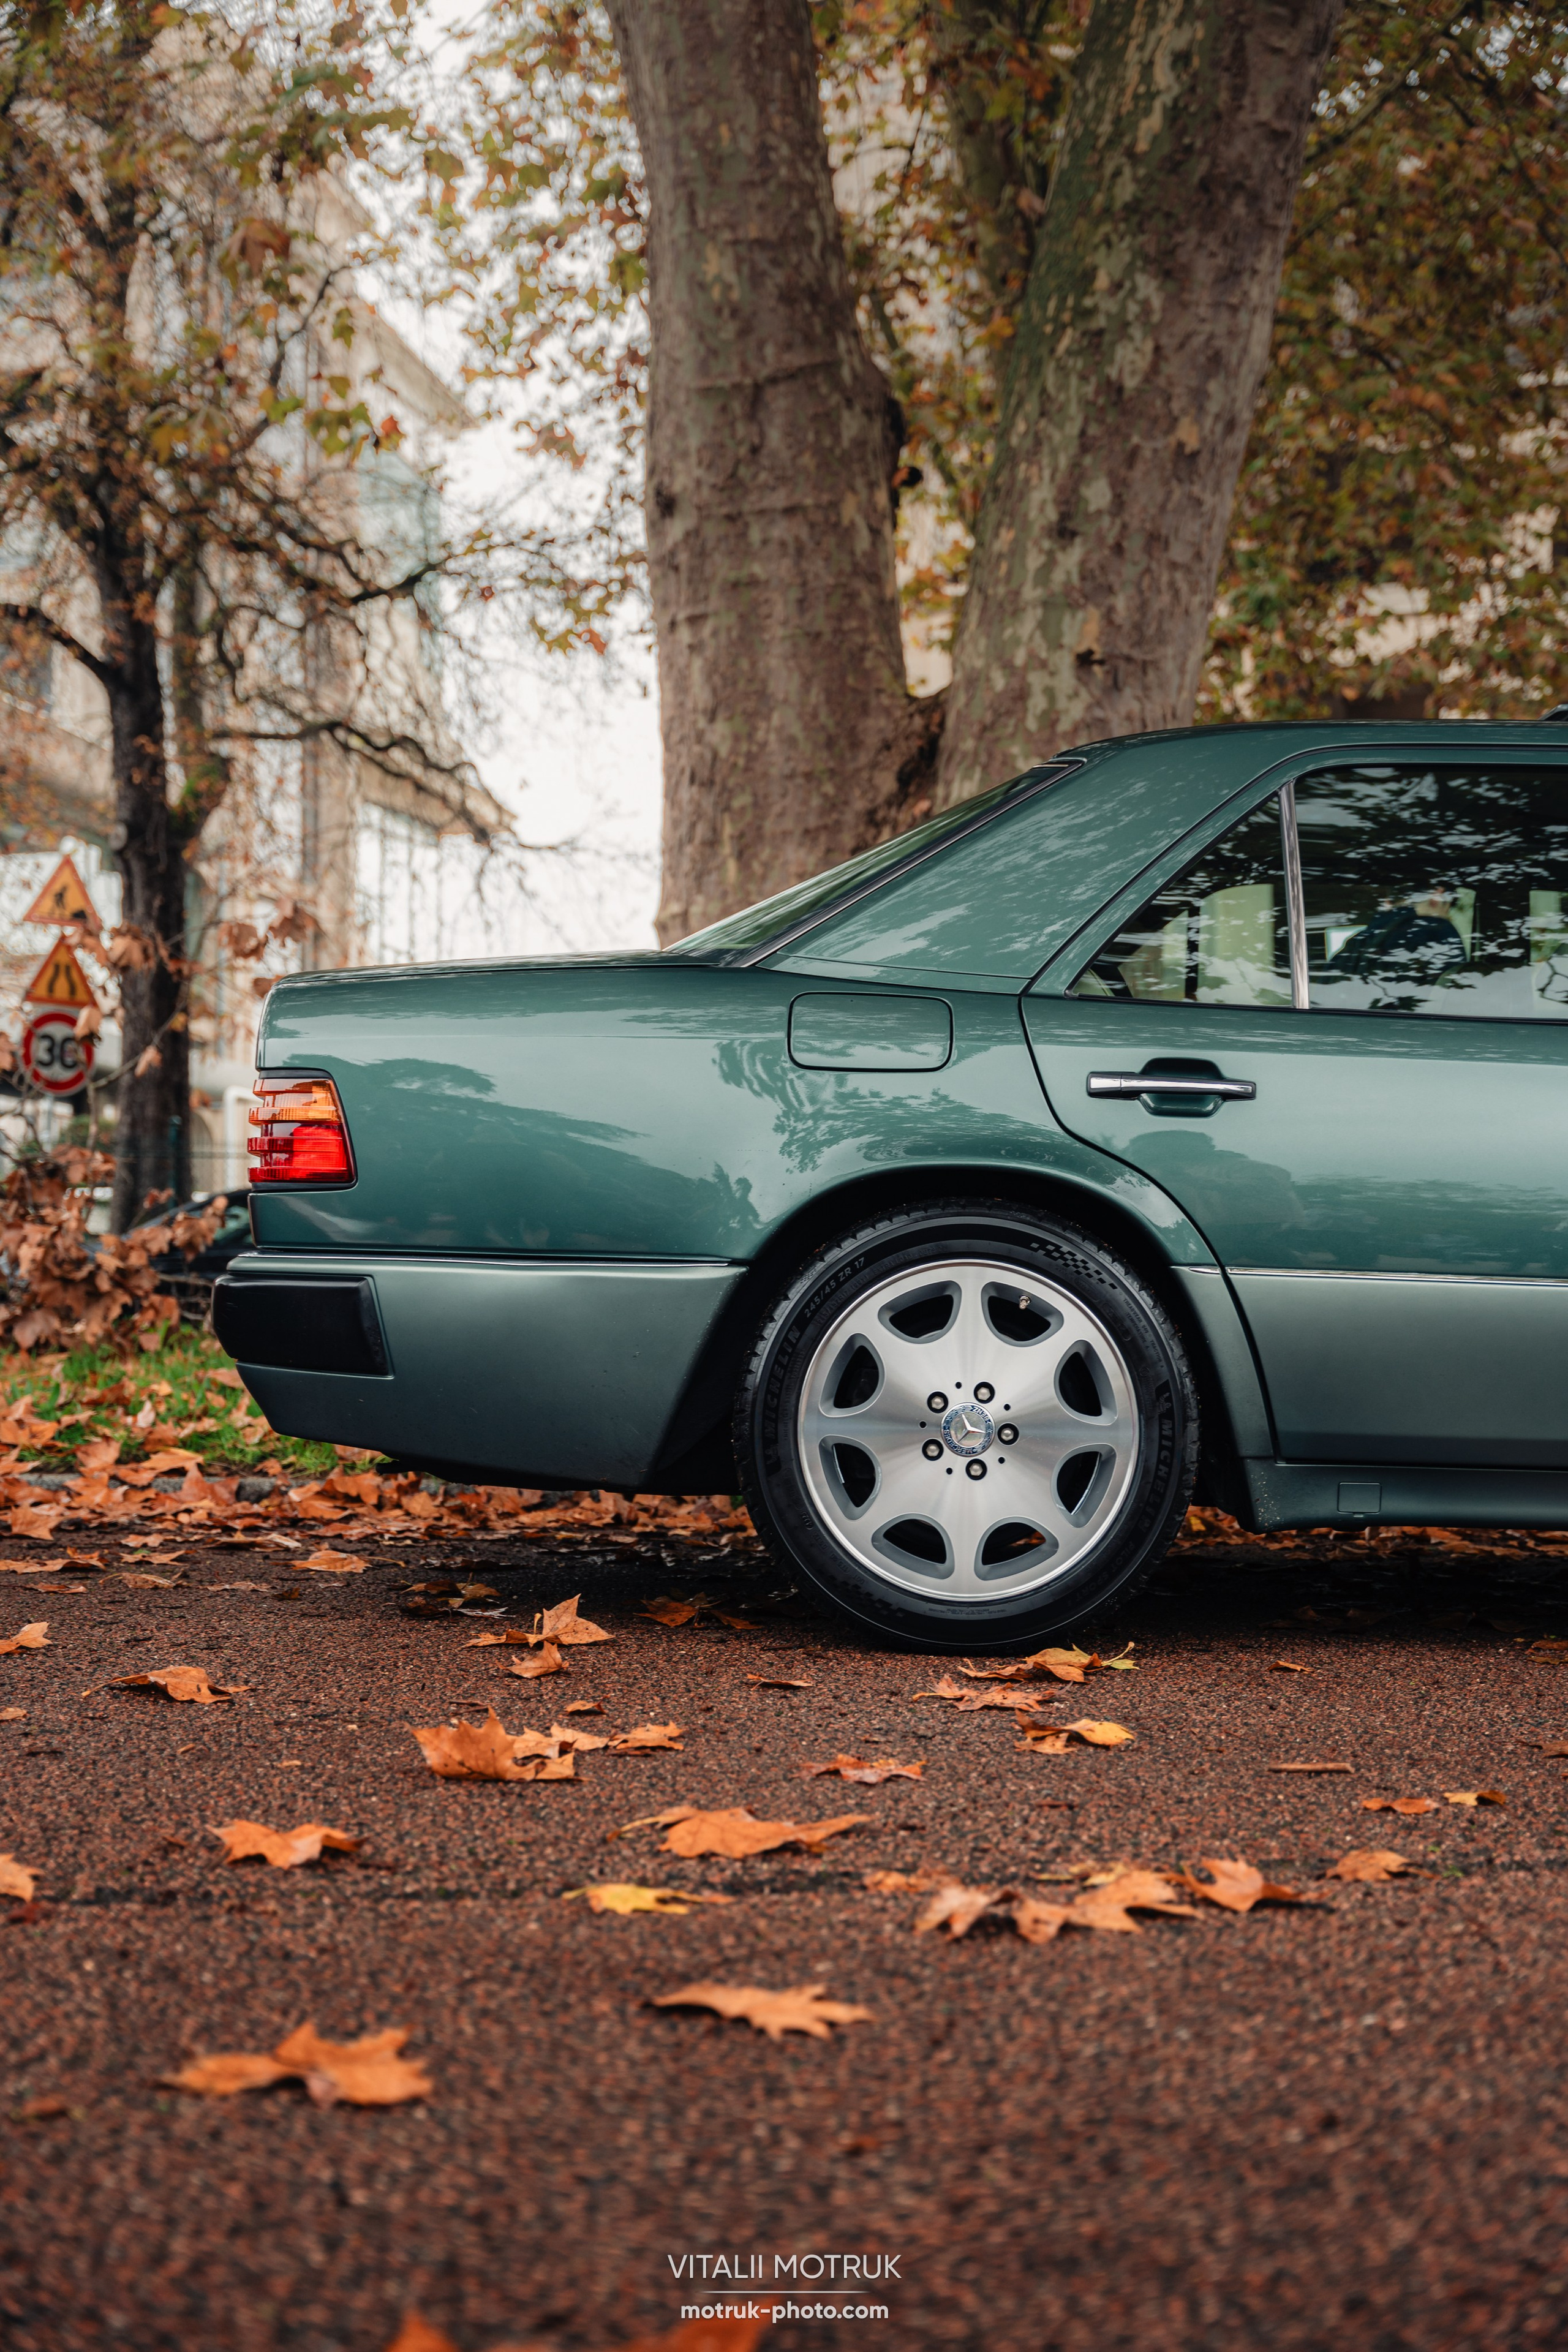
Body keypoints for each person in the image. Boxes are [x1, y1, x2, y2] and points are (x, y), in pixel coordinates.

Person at [1326, 881, 1467, 986]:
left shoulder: (1357, 942)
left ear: (1388, 902)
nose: (1448, 916)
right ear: (1439, 894)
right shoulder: (1439, 932)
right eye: (1450, 908)